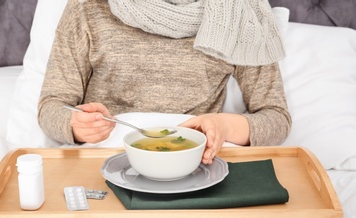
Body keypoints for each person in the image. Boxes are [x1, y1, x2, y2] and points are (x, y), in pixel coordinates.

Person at [38, 0, 292, 164]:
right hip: (107, 163)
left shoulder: (239, 12)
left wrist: (223, 125)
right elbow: (52, 106)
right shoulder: (87, 7)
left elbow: (277, 119)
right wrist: (76, 124)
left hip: (195, 169)